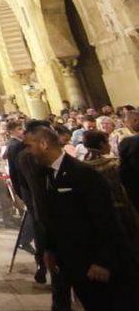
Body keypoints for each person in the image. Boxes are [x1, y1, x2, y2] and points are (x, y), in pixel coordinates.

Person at [24, 121, 136, 309]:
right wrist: (50, 250)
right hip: (71, 260)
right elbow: (52, 217)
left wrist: (103, 261)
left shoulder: (83, 173)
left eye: (29, 145)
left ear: (44, 144)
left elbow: (106, 219)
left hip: (95, 262)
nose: (27, 151)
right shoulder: (44, 175)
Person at [119, 109, 139, 213]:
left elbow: (124, 172)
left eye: (127, 123)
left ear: (135, 120)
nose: (126, 126)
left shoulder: (128, 143)